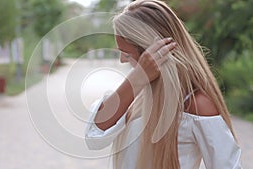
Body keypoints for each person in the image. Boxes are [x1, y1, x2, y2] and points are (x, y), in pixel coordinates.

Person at [85, 0, 243, 168]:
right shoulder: (137, 96)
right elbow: (94, 137)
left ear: (151, 52)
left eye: (127, 54)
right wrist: (137, 78)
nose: (122, 60)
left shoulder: (195, 105)